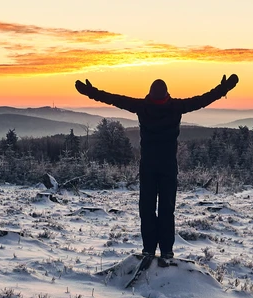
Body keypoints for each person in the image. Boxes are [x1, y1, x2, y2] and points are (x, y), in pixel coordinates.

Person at [75, 74, 238, 264]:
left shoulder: (143, 107)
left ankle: (149, 250)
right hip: (169, 166)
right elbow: (203, 100)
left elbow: (114, 99)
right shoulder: (175, 106)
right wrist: (223, 89)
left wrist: (91, 92)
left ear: (150, 94)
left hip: (148, 166)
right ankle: (167, 251)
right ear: (167, 94)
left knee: (147, 208)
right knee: (167, 209)